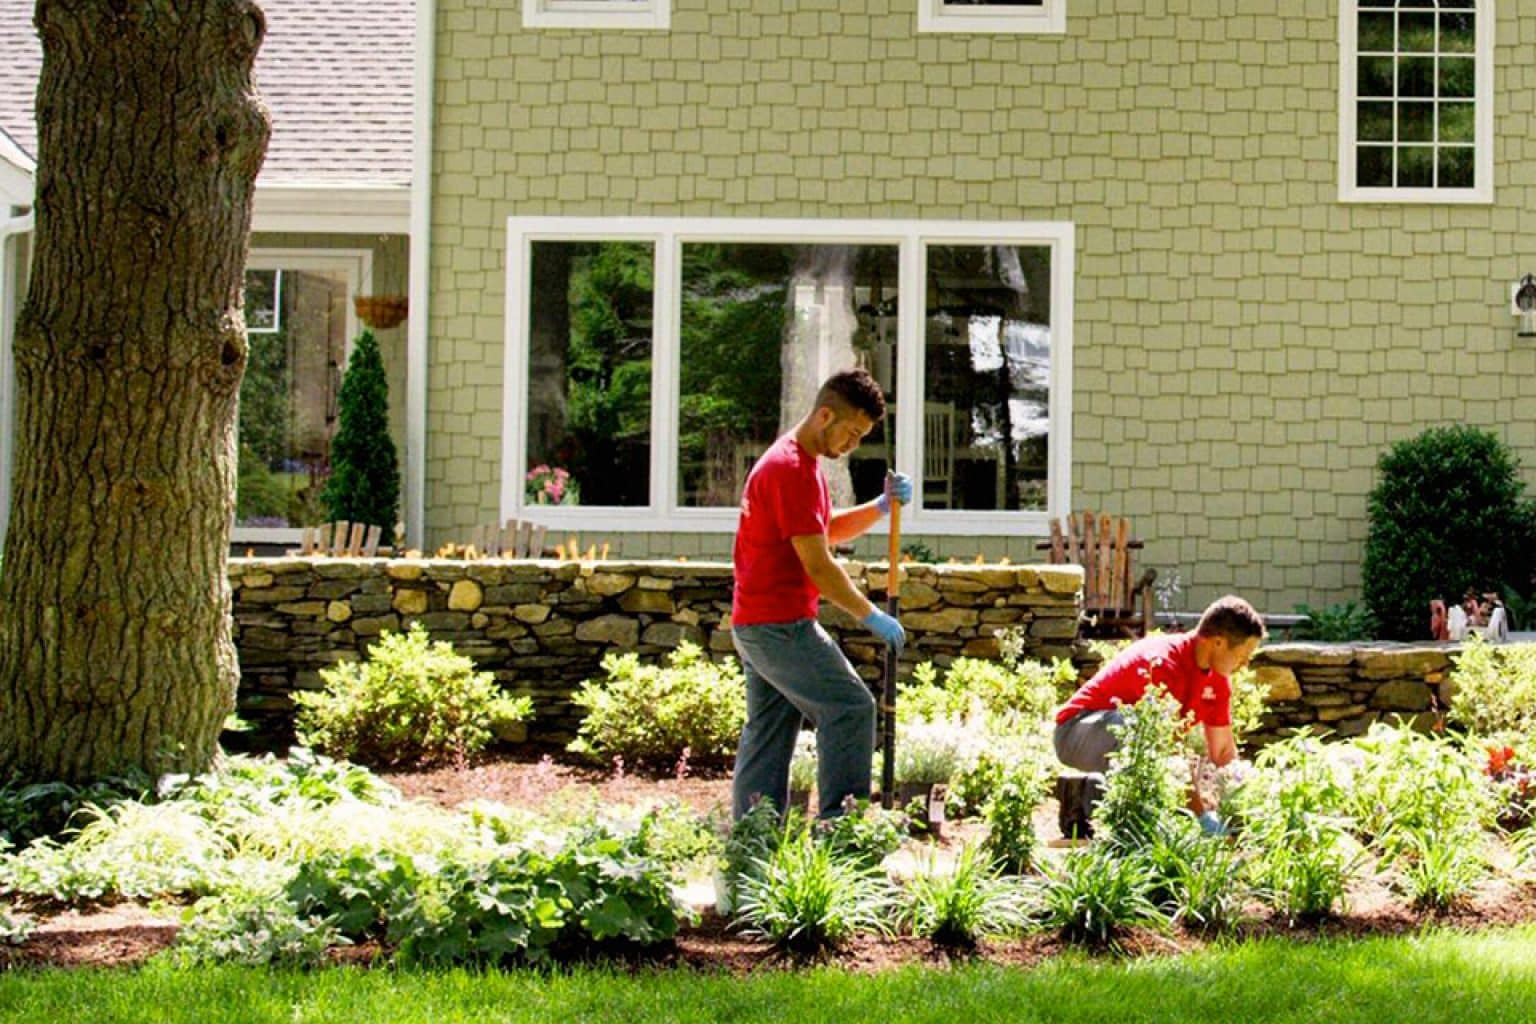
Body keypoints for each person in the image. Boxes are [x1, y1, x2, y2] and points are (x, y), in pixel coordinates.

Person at [729, 368, 912, 821]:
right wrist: (871, 616)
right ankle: (843, 832)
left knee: (769, 734)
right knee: (850, 708)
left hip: (758, 625)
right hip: (779, 627)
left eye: (861, 436)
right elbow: (818, 565)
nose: (852, 444)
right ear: (825, 415)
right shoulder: (790, 469)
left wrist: (879, 508)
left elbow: (821, 533)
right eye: (851, 432)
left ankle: (752, 843)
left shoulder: (797, 463)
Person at [1053, 595, 1267, 833]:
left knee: (1145, 740)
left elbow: (1223, 751)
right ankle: (1114, 819)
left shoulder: (1217, 680)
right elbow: (1168, 750)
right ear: (1217, 642)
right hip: (1075, 731)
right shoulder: (1164, 663)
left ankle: (1086, 793)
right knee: (1143, 733)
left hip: (1117, 737)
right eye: (1242, 656)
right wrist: (1202, 818)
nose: (1245, 664)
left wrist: (1244, 805)